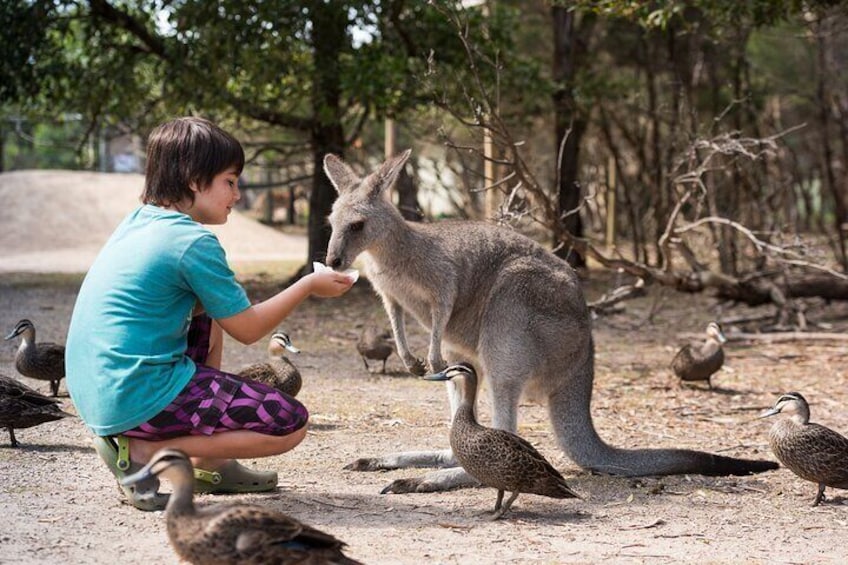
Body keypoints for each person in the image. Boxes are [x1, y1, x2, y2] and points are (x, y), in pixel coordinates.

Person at [65, 116, 354, 511]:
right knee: (289, 422)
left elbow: (223, 315)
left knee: (208, 308)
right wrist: (307, 285)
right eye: (230, 182)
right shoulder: (192, 241)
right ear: (192, 179)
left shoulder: (139, 221)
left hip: (99, 392)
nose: (236, 195)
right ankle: (144, 451)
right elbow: (249, 329)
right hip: (134, 394)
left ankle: (208, 463)